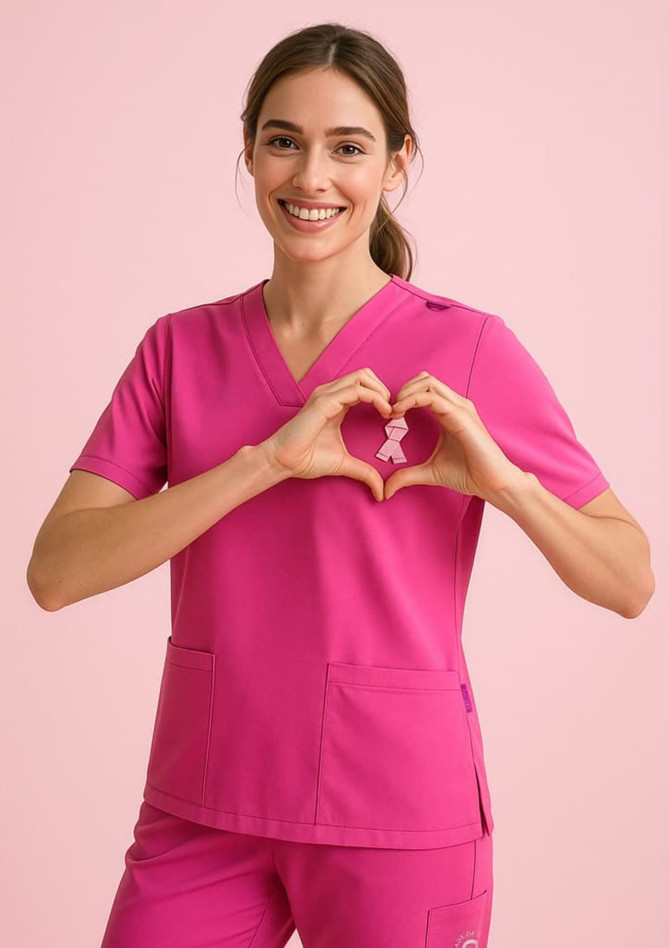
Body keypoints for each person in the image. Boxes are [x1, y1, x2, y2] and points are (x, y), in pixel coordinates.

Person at [27, 21, 654, 948]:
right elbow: (57, 573)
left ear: (397, 163)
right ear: (248, 151)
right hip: (206, 799)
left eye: (347, 148)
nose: (310, 178)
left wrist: (508, 485)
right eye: (283, 140)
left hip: (398, 812)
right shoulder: (179, 348)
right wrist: (263, 462)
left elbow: (630, 579)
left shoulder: (469, 347)